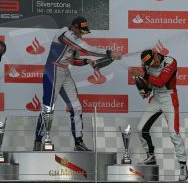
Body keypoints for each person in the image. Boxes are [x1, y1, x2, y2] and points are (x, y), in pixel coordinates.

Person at [33, 16, 122, 151]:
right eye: (80, 31)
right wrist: (109, 53)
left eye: (83, 32)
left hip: (64, 71)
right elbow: (86, 49)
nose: (81, 34)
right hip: (53, 70)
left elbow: (73, 60)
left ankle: (78, 142)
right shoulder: (65, 34)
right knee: (48, 108)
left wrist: (87, 61)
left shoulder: (74, 39)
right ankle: (39, 141)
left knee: (77, 108)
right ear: (73, 27)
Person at [131, 49, 188, 181]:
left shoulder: (171, 61)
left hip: (170, 98)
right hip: (156, 98)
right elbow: (150, 85)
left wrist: (143, 75)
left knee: (174, 133)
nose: (154, 65)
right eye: (150, 64)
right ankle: (150, 156)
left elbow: (161, 81)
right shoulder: (146, 65)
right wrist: (143, 88)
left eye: (155, 61)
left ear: (156, 54)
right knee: (140, 129)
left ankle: (183, 166)